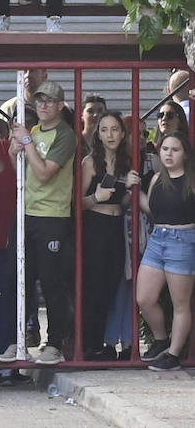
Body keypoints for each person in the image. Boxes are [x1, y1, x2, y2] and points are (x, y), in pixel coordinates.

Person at [8, 78, 77, 365]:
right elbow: (23, 173)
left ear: (60, 105)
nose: (44, 105)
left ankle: (56, 343)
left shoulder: (65, 135)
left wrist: (26, 142)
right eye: (40, 100)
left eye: (49, 101)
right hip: (28, 213)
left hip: (52, 216)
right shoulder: (34, 130)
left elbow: (46, 173)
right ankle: (20, 340)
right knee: (23, 279)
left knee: (51, 281)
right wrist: (15, 152)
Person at [131, 131, 195, 371]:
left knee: (181, 303)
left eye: (175, 150)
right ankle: (161, 340)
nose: (168, 154)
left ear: (185, 154)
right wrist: (135, 191)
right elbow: (153, 210)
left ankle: (175, 354)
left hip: (183, 239)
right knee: (144, 298)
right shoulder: (158, 177)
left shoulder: (191, 179)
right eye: (165, 149)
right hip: (158, 238)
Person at [79, 111, 131, 361]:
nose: (110, 135)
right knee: (94, 286)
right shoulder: (90, 162)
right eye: (104, 130)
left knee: (112, 284)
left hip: (116, 226)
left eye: (115, 129)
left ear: (122, 133)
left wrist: (131, 188)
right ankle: (89, 345)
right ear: (97, 134)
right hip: (95, 226)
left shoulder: (127, 162)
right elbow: (74, 203)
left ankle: (99, 343)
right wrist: (95, 198)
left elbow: (125, 202)